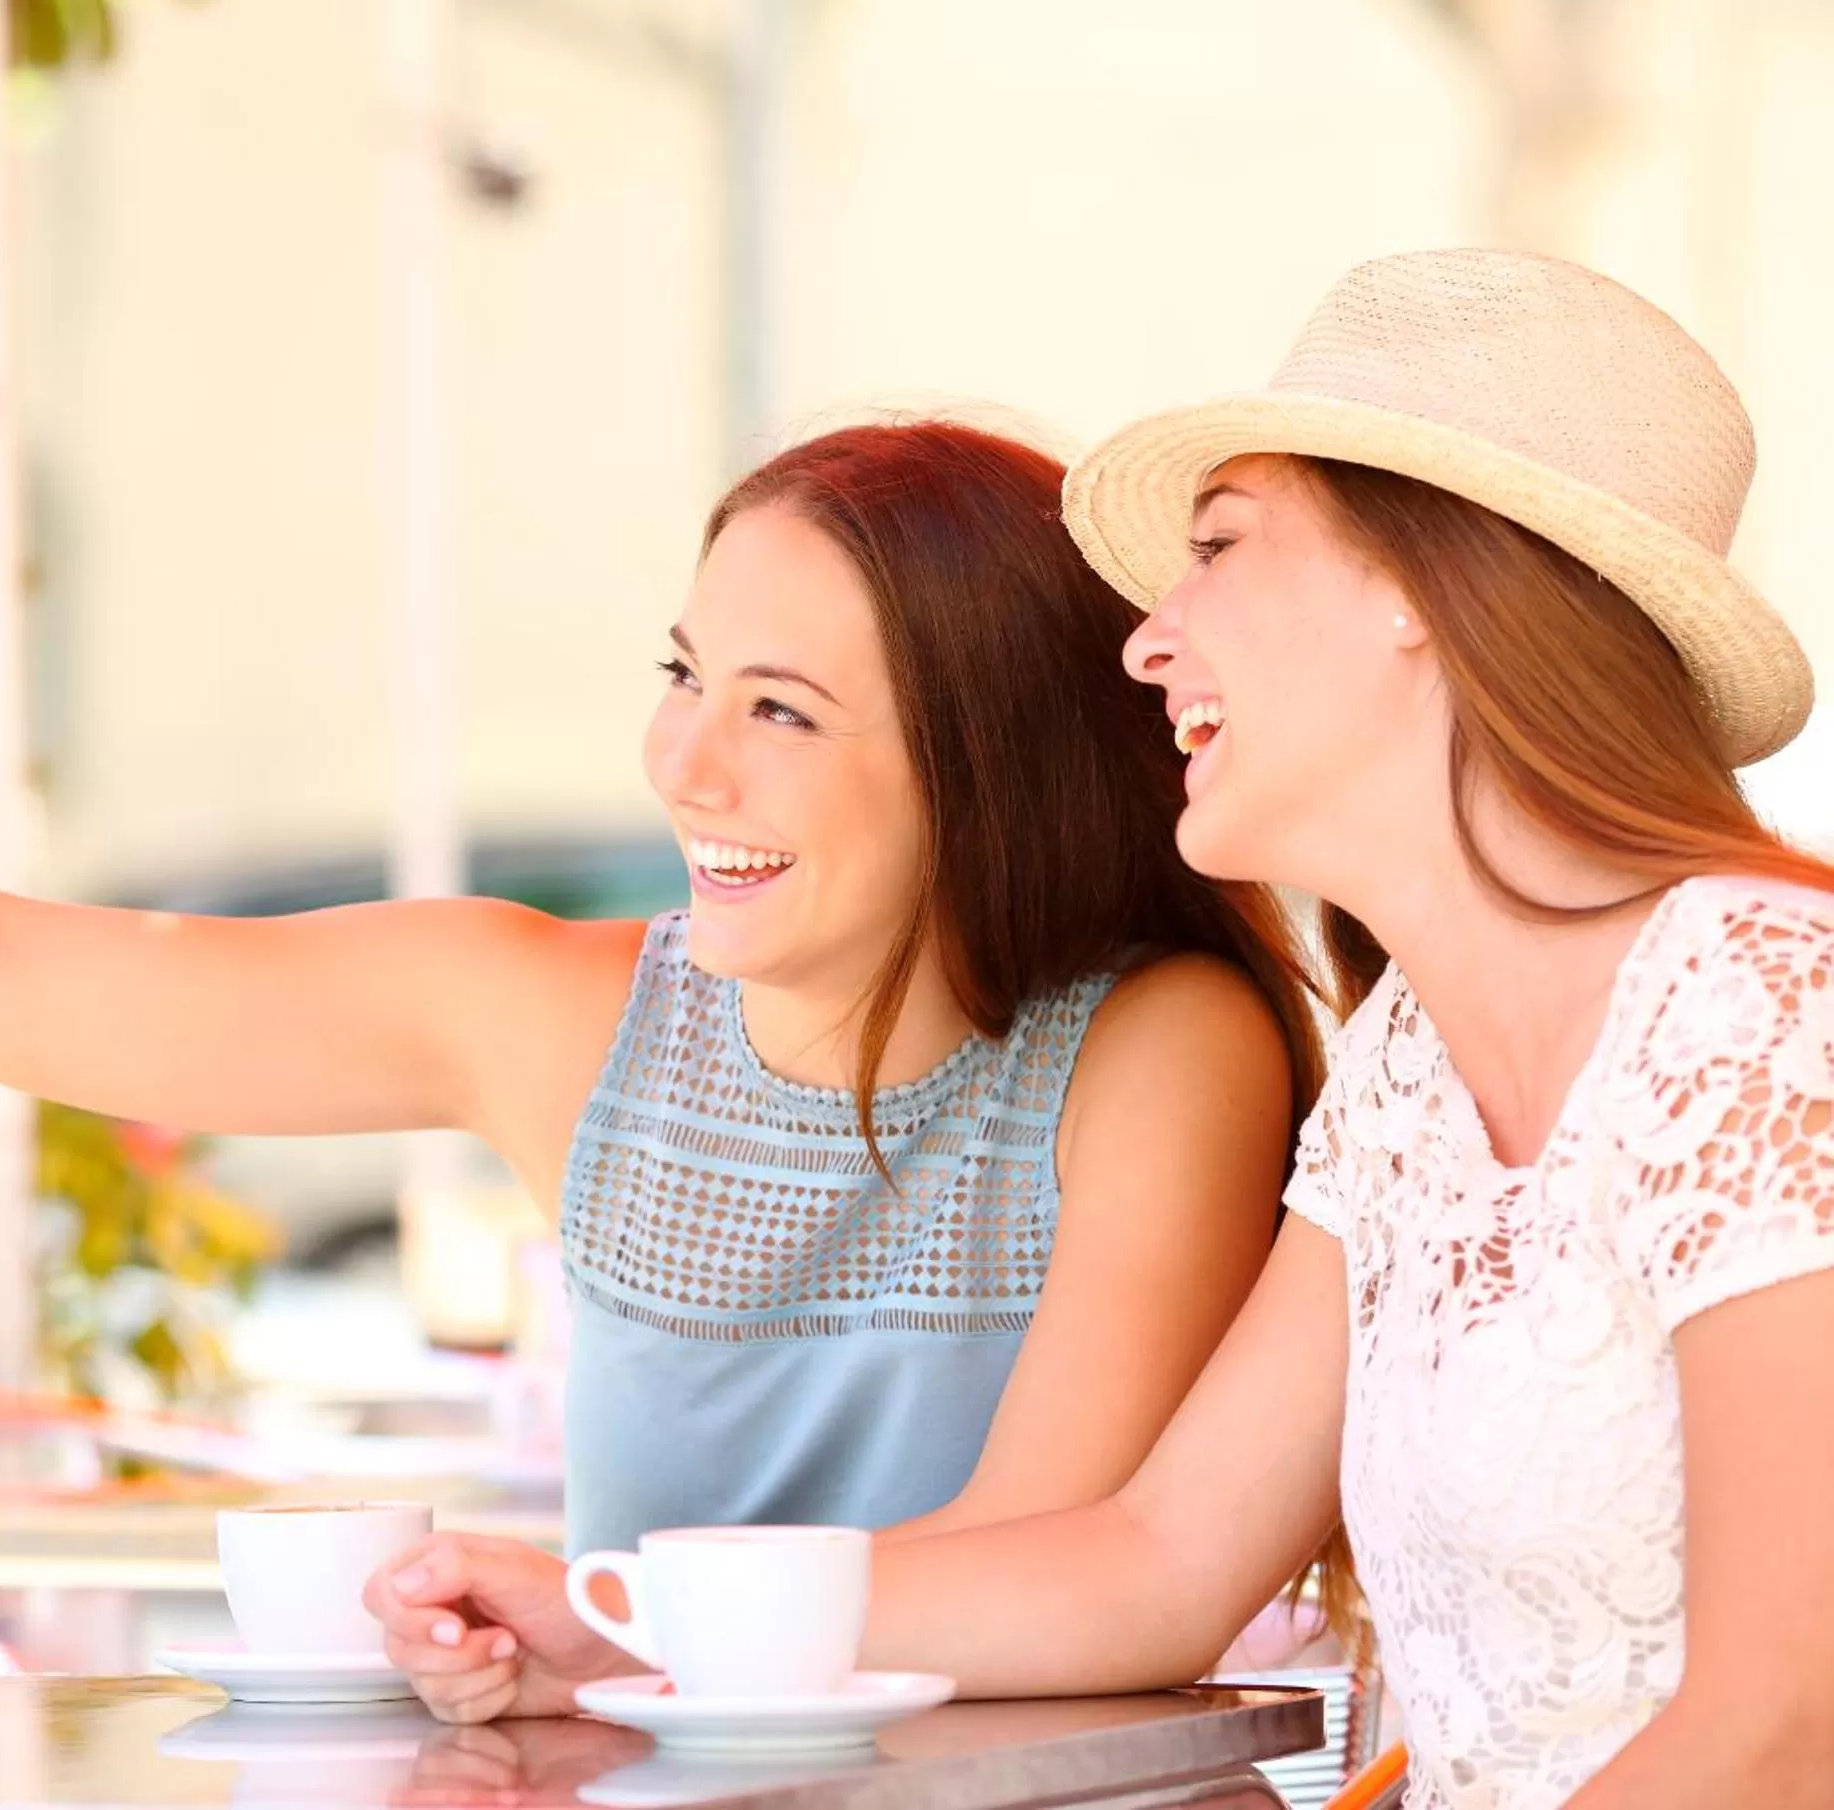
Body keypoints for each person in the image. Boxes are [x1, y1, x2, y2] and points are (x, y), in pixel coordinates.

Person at [371, 250, 1834, 1810]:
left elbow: (1782, 1719)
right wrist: (621, 1629)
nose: (1147, 640)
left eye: (1217, 546)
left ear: (1416, 591)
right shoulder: (1409, 1066)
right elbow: (1153, 1561)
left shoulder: (1761, 1006)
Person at [0, 401, 1317, 1579]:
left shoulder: (1157, 1051)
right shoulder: (553, 1017)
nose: (682, 766)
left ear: (983, 767)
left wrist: (571, 1621)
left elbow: (1046, 1567)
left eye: (781, 712)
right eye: (683, 673)